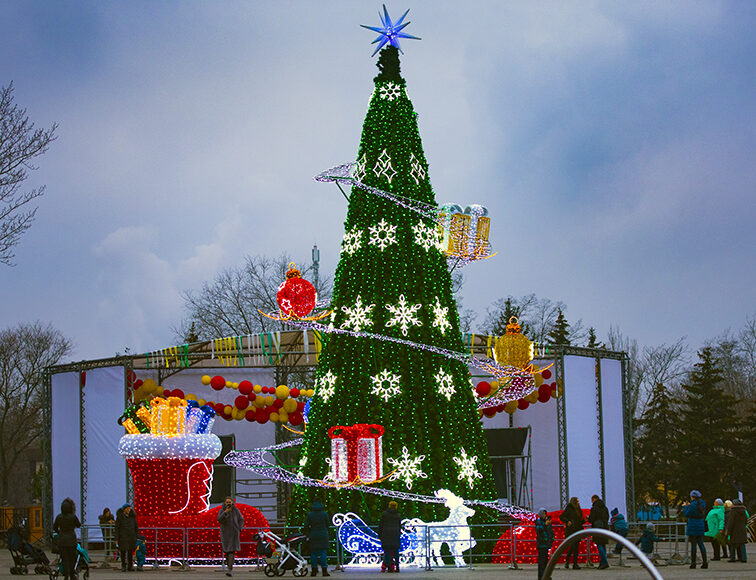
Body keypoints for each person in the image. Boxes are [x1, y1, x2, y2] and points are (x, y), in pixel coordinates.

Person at [53, 498, 81, 580]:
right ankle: (72, 575)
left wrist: (60, 532)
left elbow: (55, 528)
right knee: (72, 559)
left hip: (62, 540)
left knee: (64, 559)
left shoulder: (59, 517)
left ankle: (66, 576)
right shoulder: (73, 517)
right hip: (71, 540)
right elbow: (79, 525)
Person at [218, 496, 244, 577]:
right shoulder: (222, 510)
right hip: (225, 533)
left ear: (232, 502)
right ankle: (228, 565)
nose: (228, 504)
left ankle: (230, 569)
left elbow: (241, 519)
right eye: (227, 502)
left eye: (230, 502)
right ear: (225, 503)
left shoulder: (236, 511)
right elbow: (219, 519)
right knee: (226, 551)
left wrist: (239, 528)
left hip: (234, 533)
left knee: (232, 550)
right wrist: (225, 512)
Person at [304, 498, 330, 577]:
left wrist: (309, 532)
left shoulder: (310, 514)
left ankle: (314, 571)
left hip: (313, 535)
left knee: (314, 554)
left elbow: (306, 526)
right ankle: (324, 571)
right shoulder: (324, 514)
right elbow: (328, 524)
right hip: (323, 535)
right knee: (323, 553)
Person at [682, 490, 707, 569]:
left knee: (693, 545)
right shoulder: (702, 503)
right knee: (701, 544)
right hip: (700, 524)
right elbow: (698, 509)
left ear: (692, 497)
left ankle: (693, 563)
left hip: (693, 525)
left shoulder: (692, 505)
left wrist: (685, 507)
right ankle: (705, 562)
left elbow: (687, 514)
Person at [559, 497, 585, 569]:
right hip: (571, 531)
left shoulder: (578, 510)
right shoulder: (569, 509)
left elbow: (579, 521)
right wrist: (567, 521)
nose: (578, 502)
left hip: (576, 530)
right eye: (577, 501)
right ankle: (571, 562)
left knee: (575, 547)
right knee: (573, 547)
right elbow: (561, 517)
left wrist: (584, 521)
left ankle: (573, 563)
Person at [378, 500, 402, 573]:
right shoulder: (398, 515)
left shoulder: (384, 514)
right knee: (396, 552)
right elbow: (399, 526)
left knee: (387, 552)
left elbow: (381, 525)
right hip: (395, 535)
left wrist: (380, 534)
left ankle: (389, 567)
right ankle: (397, 566)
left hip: (386, 535)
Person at [588, 494, 610, 570]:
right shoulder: (605, 508)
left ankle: (605, 562)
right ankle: (603, 562)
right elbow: (607, 517)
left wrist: (588, 518)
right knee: (603, 545)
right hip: (605, 528)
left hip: (597, 528)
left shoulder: (594, 508)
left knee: (599, 544)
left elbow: (591, 519)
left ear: (594, 499)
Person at [115, 503, 139, 572]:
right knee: (123, 552)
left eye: (129, 508)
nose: (129, 510)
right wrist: (116, 538)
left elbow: (136, 527)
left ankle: (130, 566)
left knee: (130, 552)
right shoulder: (120, 517)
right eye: (127, 508)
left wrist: (137, 535)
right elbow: (117, 528)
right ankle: (123, 566)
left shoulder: (132, 517)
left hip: (131, 537)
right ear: (124, 509)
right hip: (122, 537)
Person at [535, 508, 554, 580]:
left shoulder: (547, 522)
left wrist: (551, 539)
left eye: (545, 513)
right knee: (541, 562)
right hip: (541, 544)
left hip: (546, 544)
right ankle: (541, 576)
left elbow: (550, 531)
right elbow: (539, 530)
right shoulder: (538, 521)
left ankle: (546, 576)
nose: (544, 515)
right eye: (543, 513)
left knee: (546, 561)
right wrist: (545, 525)